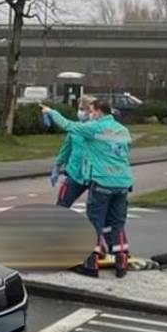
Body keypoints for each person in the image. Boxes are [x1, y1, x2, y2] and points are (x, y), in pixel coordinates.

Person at [42, 100, 135, 278]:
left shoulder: (93, 129)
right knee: (116, 223)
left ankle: (91, 264)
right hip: (123, 182)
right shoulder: (123, 130)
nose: (89, 114)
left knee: (95, 223)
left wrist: (50, 111)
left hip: (102, 181)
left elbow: (67, 124)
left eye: (91, 111)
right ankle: (121, 262)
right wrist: (59, 164)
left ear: (98, 112)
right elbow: (124, 151)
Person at [53, 95, 98, 208]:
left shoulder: (98, 128)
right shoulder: (74, 129)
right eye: (79, 109)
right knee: (62, 204)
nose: (80, 112)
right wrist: (57, 166)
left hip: (95, 175)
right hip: (75, 173)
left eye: (83, 109)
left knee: (96, 209)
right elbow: (66, 149)